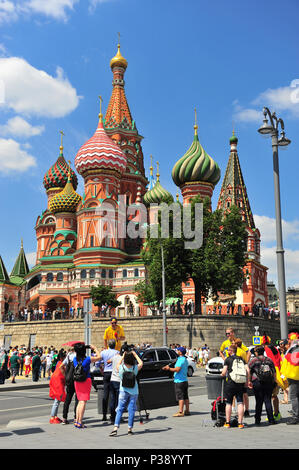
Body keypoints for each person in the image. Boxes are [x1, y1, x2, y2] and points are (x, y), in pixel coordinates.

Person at [109, 349, 143, 436]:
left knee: (120, 409)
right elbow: (141, 363)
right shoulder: (135, 368)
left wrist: (123, 356)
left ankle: (115, 428)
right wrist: (135, 355)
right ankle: (129, 429)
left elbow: (117, 365)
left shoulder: (121, 368)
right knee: (131, 409)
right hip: (134, 391)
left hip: (123, 390)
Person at [72, 342, 101, 429]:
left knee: (79, 401)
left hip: (77, 381)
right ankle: (80, 422)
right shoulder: (87, 359)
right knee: (83, 402)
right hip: (85, 380)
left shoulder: (74, 359)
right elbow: (99, 357)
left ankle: (77, 420)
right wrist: (95, 348)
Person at [220, 344, 249, 429]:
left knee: (228, 403)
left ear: (231, 351)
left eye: (228, 350)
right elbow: (248, 370)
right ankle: (240, 423)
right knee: (240, 402)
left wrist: (221, 374)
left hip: (230, 383)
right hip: (240, 383)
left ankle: (228, 422)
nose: (227, 351)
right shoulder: (241, 359)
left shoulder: (228, 359)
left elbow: (224, 372)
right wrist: (247, 381)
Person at [248, 345, 277, 425]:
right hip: (268, 382)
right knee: (268, 400)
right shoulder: (269, 360)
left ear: (257, 352)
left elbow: (249, 371)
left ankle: (257, 420)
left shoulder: (253, 360)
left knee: (259, 401)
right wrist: (274, 381)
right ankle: (271, 419)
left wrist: (249, 381)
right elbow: (274, 371)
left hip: (257, 382)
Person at [163, 346, 190, 417]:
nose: (177, 351)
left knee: (180, 397)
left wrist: (168, 368)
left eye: (178, 350)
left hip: (179, 381)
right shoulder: (185, 359)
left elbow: (177, 369)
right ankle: (187, 410)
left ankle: (180, 412)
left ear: (180, 352)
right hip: (184, 380)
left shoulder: (180, 360)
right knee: (186, 397)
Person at [98, 339, 119, 422]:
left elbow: (98, 363)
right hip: (114, 374)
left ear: (108, 345)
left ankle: (104, 415)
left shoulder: (104, 352)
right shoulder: (117, 352)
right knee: (113, 395)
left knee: (105, 394)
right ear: (115, 345)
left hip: (106, 373)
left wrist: (101, 370)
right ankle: (113, 414)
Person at [280, 331, 299, 425]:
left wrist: (283, 375)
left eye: (289, 339)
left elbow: (287, 364)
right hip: (295, 376)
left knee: (293, 396)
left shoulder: (292, 350)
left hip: (293, 376)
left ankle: (296, 416)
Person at [60, 348, 78, 425]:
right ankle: (76, 417)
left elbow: (61, 367)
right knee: (77, 400)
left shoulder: (68, 356)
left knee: (67, 399)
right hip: (77, 380)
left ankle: (64, 418)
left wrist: (66, 375)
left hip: (69, 380)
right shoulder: (78, 356)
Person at [49, 349, 67, 423]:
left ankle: (55, 416)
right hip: (58, 382)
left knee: (57, 400)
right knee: (57, 400)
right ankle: (52, 417)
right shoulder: (61, 364)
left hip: (56, 381)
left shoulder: (59, 362)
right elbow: (63, 372)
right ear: (62, 358)